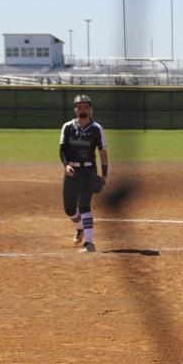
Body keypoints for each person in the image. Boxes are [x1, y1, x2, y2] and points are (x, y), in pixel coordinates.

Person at [59, 94, 108, 253]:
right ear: (75, 109)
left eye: (86, 107)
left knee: (85, 206)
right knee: (70, 209)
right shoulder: (67, 127)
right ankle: (80, 228)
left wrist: (104, 175)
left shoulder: (96, 129)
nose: (83, 110)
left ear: (91, 109)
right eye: (79, 107)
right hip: (72, 171)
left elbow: (102, 153)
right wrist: (66, 166)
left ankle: (89, 243)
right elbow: (62, 150)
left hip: (88, 171)